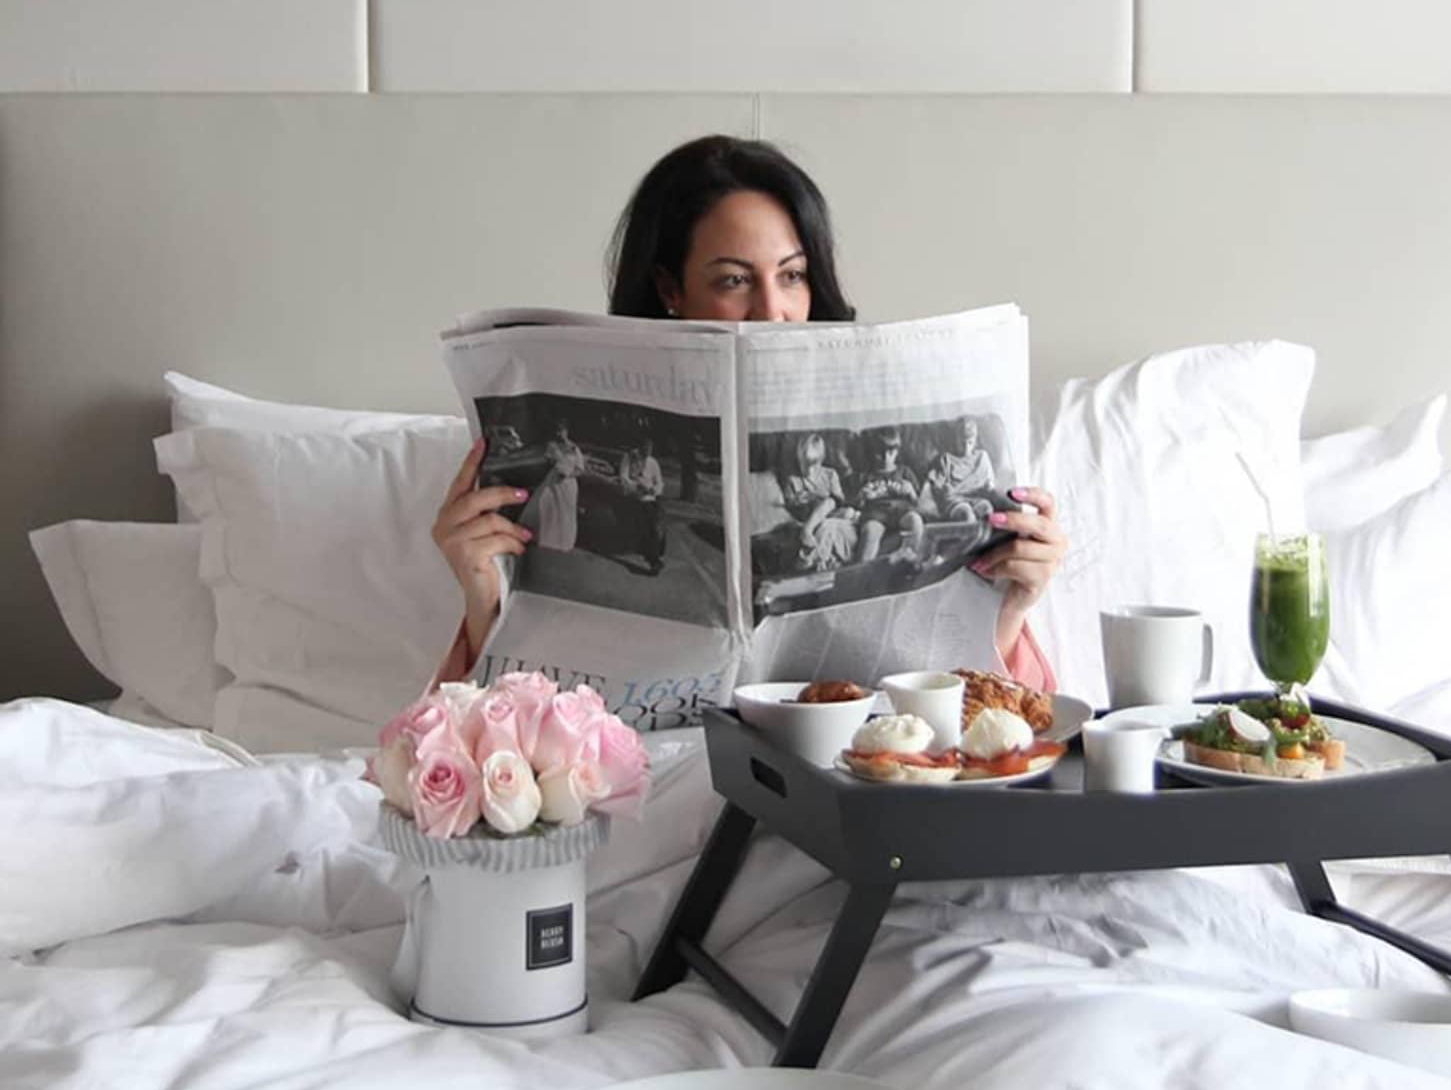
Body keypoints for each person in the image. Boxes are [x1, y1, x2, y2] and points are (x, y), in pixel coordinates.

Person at [430, 134, 1066, 687]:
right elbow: (491, 728)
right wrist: (484, 598)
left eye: (792, 275)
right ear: (671, 288)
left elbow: (996, 722)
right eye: (734, 280)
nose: (772, 310)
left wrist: (1010, 607)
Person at [782, 432, 859, 572]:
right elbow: (789, 506)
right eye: (805, 464)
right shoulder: (793, 480)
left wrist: (819, 496)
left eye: (814, 464)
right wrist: (799, 501)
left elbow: (839, 500)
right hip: (810, 516)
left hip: (832, 512)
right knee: (828, 525)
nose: (810, 470)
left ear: (822, 459)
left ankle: (808, 548)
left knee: (837, 507)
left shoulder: (830, 474)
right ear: (799, 458)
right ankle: (816, 557)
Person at [853, 427, 925, 564]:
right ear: (873, 452)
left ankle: (909, 559)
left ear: (897, 452)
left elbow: (919, 503)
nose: (886, 458)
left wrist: (911, 492)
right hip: (875, 515)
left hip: (902, 512)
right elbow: (857, 505)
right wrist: (862, 496)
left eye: (891, 452)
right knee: (869, 532)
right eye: (880, 453)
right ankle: (862, 570)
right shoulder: (866, 475)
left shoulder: (905, 472)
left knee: (915, 520)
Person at [520, 421, 585, 552]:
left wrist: (568, 474)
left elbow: (580, 469)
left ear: (567, 431)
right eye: (557, 431)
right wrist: (554, 464)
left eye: (562, 431)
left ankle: (563, 541)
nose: (559, 434)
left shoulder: (574, 448)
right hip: (554, 480)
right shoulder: (553, 446)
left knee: (565, 511)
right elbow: (547, 461)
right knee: (545, 503)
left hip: (568, 483)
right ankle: (544, 537)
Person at [924, 416, 999, 523]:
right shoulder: (946, 458)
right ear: (956, 440)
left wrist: (989, 486)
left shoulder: (982, 457)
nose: (966, 448)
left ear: (975, 442)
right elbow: (935, 486)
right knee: (966, 514)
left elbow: (990, 483)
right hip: (955, 501)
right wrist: (942, 489)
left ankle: (983, 533)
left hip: (976, 498)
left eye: (970, 443)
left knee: (987, 508)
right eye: (962, 443)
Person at [618, 437, 666, 573]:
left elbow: (659, 482)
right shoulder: (629, 457)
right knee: (648, 523)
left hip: (649, 497)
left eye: (649, 451)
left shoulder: (653, 462)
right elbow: (623, 477)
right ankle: (654, 560)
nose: (647, 454)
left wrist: (654, 490)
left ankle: (654, 556)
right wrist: (636, 486)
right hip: (633, 496)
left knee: (656, 523)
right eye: (645, 451)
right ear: (640, 448)